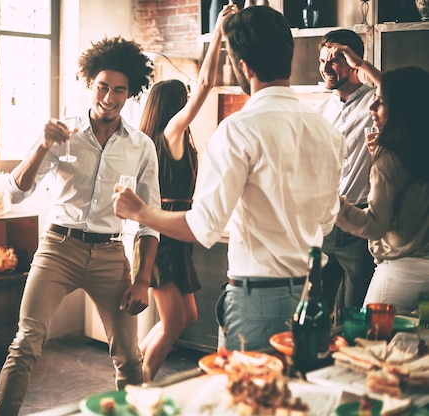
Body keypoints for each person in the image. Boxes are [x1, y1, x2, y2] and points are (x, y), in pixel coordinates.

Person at [113, 5, 345, 352]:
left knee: (246, 401)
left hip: (257, 299)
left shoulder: (238, 130)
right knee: (292, 401)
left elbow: (204, 227)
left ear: (244, 67)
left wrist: (139, 212)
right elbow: (326, 222)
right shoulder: (328, 131)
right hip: (313, 296)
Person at [0, 36, 160, 415]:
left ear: (130, 93)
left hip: (109, 253)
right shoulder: (61, 132)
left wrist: (143, 279)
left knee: (130, 360)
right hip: (58, 249)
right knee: (26, 344)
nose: (109, 97)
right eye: (102, 87)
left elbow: (150, 222)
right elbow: (15, 194)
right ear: (89, 84)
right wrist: (39, 148)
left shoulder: (141, 147)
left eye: (119, 90)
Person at [135, 4, 236, 381]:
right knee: (174, 323)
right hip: (165, 238)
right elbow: (208, 85)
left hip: (175, 234)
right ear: (175, 106)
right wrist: (220, 31)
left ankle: (131, 374)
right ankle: (138, 385)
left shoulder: (158, 139)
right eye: (186, 97)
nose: (191, 99)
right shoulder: (170, 134)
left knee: (186, 316)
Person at [336, 65, 429, 315]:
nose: (371, 108)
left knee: (371, 346)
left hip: (398, 275)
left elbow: (375, 225)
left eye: (380, 102)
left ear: (402, 109)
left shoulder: (390, 157)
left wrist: (332, 204)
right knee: (417, 349)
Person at [316, 29, 377, 321]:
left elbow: (404, 97)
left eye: (335, 61)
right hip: (326, 225)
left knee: (354, 317)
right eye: (322, 60)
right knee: (315, 312)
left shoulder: (377, 102)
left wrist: (363, 67)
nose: (326, 68)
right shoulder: (321, 110)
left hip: (360, 228)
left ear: (353, 62)